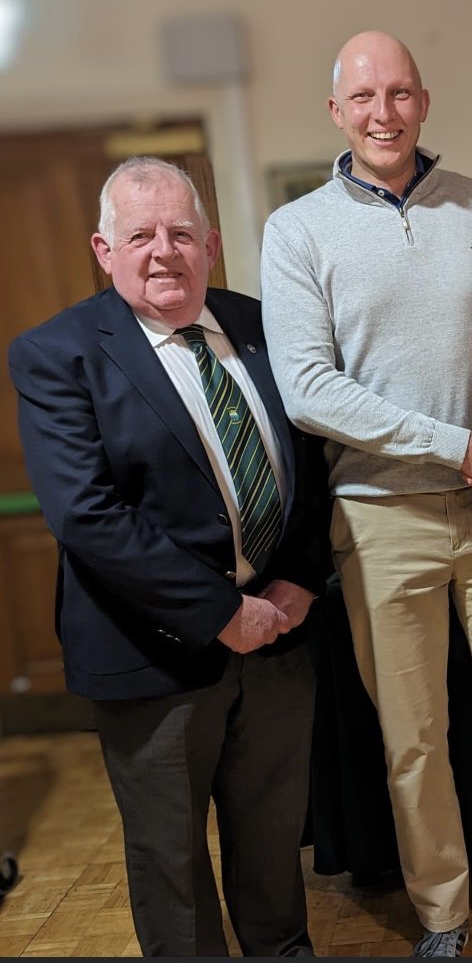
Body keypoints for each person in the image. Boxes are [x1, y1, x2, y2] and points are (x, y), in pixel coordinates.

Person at [259, 31, 472, 959]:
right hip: (377, 514)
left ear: (424, 100)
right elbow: (310, 390)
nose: (382, 112)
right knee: (415, 740)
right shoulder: (298, 230)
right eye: (363, 96)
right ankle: (444, 918)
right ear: (336, 111)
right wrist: (459, 444)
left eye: (399, 92)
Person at [7, 157, 331, 956]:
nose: (164, 251)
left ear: (211, 244)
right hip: (150, 656)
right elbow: (88, 515)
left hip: (281, 641)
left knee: (272, 852)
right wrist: (223, 612)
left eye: (181, 233)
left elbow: (314, 463)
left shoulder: (263, 325)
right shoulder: (57, 354)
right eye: (141, 235)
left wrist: (299, 581)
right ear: (102, 248)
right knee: (172, 870)